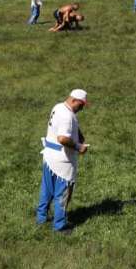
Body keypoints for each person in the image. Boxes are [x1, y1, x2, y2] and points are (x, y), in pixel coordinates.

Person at [36, 89, 89, 234]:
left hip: (49, 156)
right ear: (74, 101)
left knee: (46, 189)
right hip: (63, 161)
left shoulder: (59, 107)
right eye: (81, 105)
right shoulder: (67, 116)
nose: (82, 108)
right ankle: (59, 227)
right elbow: (62, 138)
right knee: (63, 193)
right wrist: (78, 146)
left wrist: (79, 135)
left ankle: (41, 218)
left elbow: (71, 124)